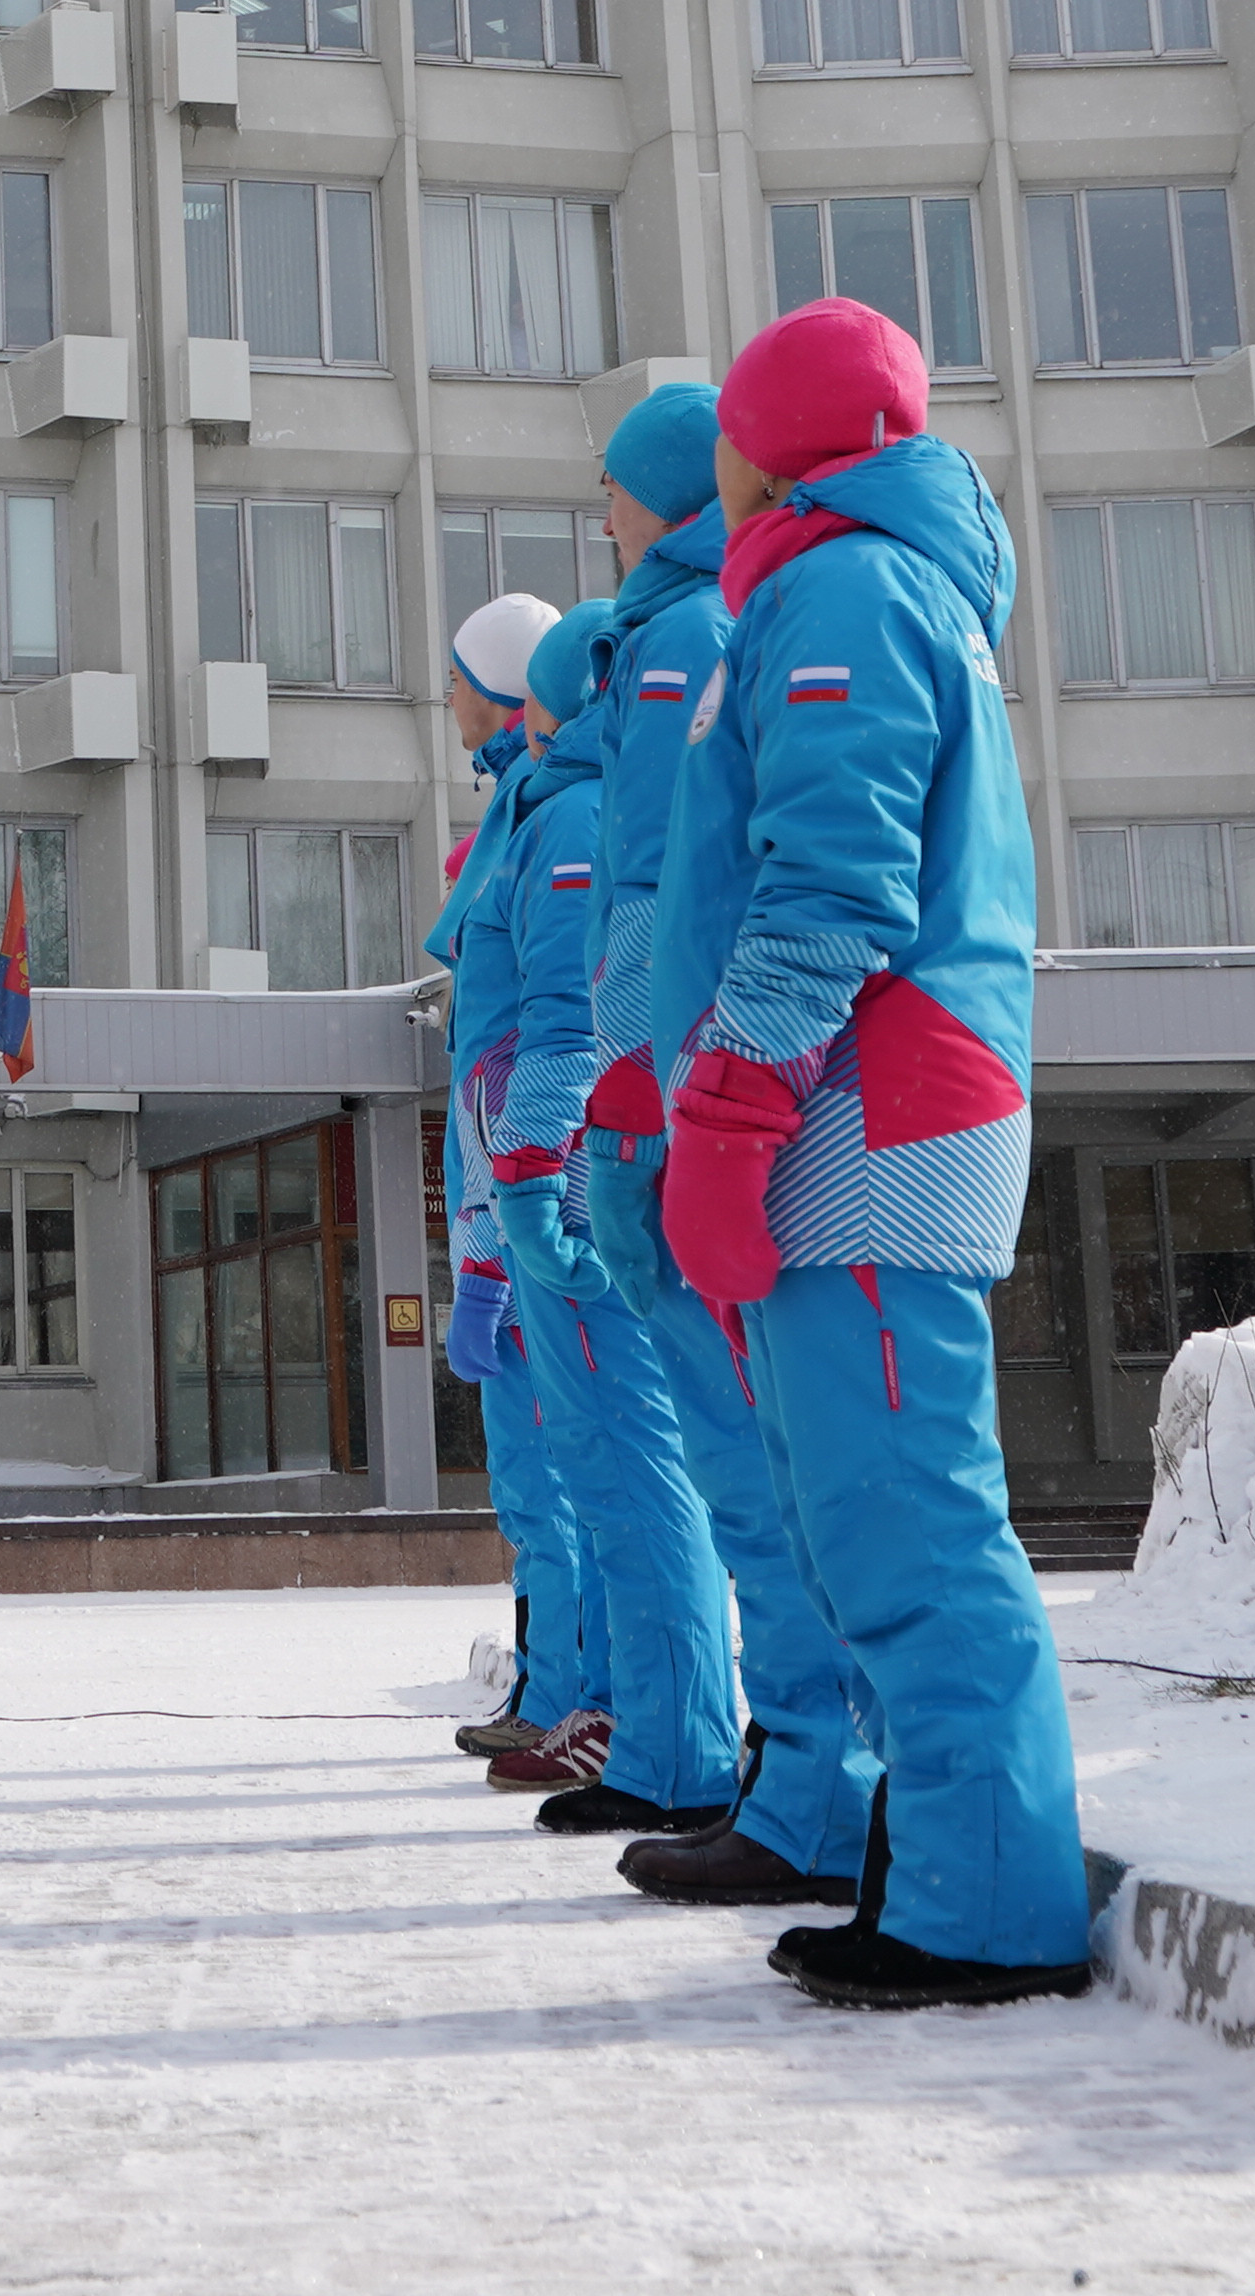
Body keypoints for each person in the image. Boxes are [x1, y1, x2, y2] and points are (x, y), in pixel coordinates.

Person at [655, 297, 1092, 2009]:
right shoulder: (851, 579)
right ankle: (949, 1876)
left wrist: (737, 1101)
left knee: (906, 1524)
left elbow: (832, 885)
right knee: (868, 1521)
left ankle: (984, 1913)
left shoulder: (844, 586)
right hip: (862, 1108)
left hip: (869, 1116)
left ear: (774, 440)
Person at [566, 377, 892, 1913]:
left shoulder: (702, 633)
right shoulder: (685, 626)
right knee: (731, 1461)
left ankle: (805, 1783)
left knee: (764, 1473)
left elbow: (690, 892)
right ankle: (790, 1776)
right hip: (673, 1077)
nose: (606, 509)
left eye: (616, 484)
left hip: (720, 1090)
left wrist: (647, 1070)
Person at [470, 594, 742, 1843]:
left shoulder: (574, 807)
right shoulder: (552, 800)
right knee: (604, 1470)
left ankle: (675, 1737)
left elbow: (566, 1020)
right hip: (548, 1179)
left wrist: (529, 1166)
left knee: (636, 1469)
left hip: (574, 1184)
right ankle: (651, 1733)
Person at [434, 589, 593, 1780]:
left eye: (457, 678)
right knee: (534, 1470)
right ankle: (558, 1685)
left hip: (537, 1192)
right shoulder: (521, 811)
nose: (445, 699)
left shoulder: (557, 817)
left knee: (564, 1467)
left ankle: (577, 1697)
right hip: (508, 1185)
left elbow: (542, 1035)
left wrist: (502, 1215)